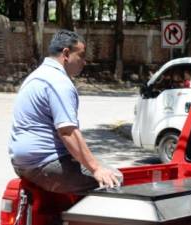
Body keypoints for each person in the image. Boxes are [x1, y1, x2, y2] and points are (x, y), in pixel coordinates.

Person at [9, 30, 122, 194]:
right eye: (81, 56)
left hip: (22, 163)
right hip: (44, 163)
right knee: (114, 178)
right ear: (66, 53)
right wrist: (96, 168)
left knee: (87, 162)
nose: (84, 62)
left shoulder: (36, 76)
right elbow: (67, 131)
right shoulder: (59, 82)